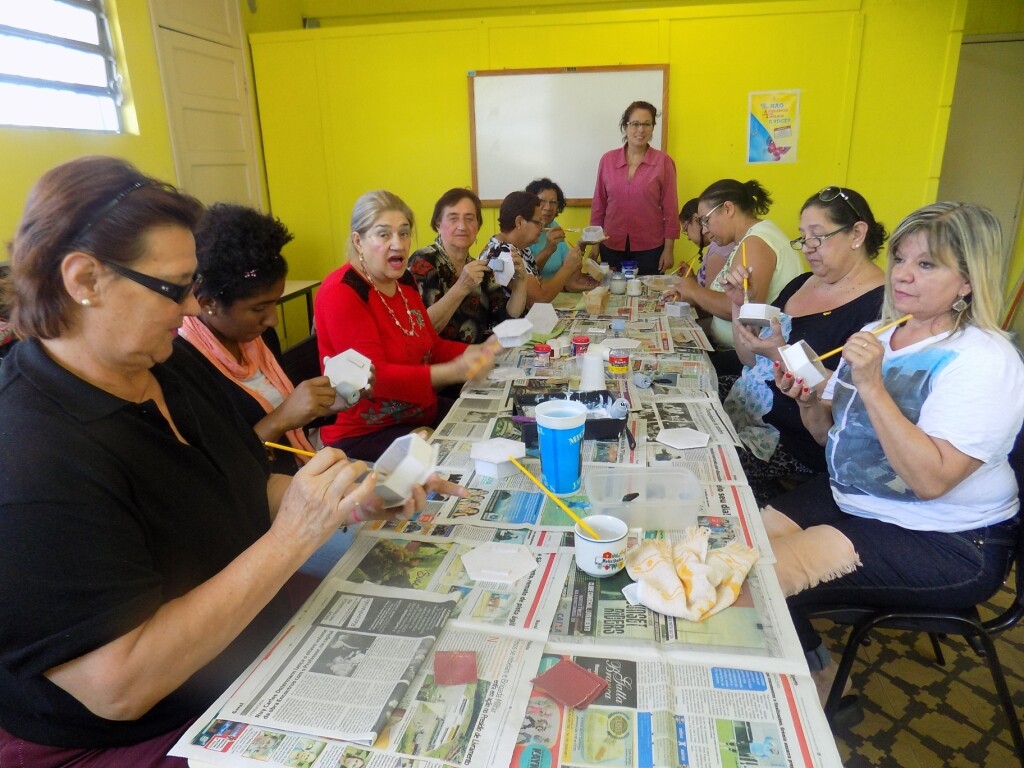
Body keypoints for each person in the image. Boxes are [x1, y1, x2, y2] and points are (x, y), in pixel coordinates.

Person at [0, 156, 461, 765]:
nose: (193, 309)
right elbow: (119, 687)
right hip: (143, 728)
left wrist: (355, 497)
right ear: (86, 279)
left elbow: (243, 482)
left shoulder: (169, 366)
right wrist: (294, 536)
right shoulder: (30, 452)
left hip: (243, 651)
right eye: (174, 288)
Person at [764, 202, 1024, 703]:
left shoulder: (986, 360)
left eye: (926, 264)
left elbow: (930, 481)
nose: (902, 274)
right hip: (860, 496)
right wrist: (809, 404)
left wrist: (872, 386)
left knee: (762, 579)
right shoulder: (882, 332)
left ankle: (822, 686)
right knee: (739, 545)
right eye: (900, 258)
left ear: (967, 281)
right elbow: (832, 440)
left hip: (946, 537)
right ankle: (814, 660)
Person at [719, 186, 886, 504]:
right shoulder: (801, 284)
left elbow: (848, 399)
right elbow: (750, 361)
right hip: (748, 409)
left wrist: (780, 353)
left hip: (795, 442)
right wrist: (739, 304)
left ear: (857, 233)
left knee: (713, 470)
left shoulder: (880, 309)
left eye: (817, 236)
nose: (807, 248)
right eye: (803, 237)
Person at [315, 190, 497, 461]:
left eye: (403, 233)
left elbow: (432, 347)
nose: (398, 244)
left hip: (418, 412)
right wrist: (453, 371)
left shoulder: (404, 282)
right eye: (383, 234)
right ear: (358, 241)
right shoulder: (342, 291)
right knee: (448, 459)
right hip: (366, 431)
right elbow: (376, 378)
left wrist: (478, 351)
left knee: (492, 426)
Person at [179, 203, 349, 475]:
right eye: (259, 308)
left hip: (294, 475)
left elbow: (285, 418)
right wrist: (280, 419)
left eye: (275, 303)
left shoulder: (259, 337)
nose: (273, 320)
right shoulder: (181, 364)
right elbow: (214, 468)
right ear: (208, 303)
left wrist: (327, 403)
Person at [662, 179, 803, 358]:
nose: (704, 230)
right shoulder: (749, 239)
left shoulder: (755, 243)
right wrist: (691, 295)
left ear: (728, 209)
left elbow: (740, 309)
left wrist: (694, 291)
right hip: (733, 349)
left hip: (749, 358)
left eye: (706, 220)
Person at [408, 188, 528, 344]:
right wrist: (462, 287)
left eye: (470, 219)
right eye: (453, 218)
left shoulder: (480, 268)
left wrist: (521, 283)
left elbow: (506, 319)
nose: (462, 226)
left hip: (475, 355)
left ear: (477, 226)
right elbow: (422, 328)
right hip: (438, 358)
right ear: (438, 224)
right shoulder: (423, 260)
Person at [590, 100, 679, 275]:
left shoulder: (663, 162)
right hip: (611, 243)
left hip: (651, 248)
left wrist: (669, 249)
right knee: (611, 289)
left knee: (648, 291)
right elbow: (599, 205)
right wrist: (594, 245)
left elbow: (670, 209)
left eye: (647, 124)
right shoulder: (607, 160)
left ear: (653, 128)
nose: (641, 130)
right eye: (635, 124)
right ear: (625, 126)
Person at [479, 191, 585, 305]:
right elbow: (538, 299)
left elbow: (537, 281)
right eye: (538, 222)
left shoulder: (519, 248)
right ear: (519, 222)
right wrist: (567, 268)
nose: (542, 228)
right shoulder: (502, 255)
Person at [525, 177, 599, 290]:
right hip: (538, 293)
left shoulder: (553, 226)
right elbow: (526, 275)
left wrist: (581, 245)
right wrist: (548, 250)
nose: (548, 207)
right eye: (541, 201)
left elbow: (570, 268)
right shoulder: (524, 231)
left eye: (553, 202)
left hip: (558, 291)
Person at [675, 197, 732, 289]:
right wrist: (692, 278)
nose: (688, 238)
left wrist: (689, 289)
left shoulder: (719, 249)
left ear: (696, 219)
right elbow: (704, 289)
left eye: (686, 230)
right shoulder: (715, 246)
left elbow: (710, 296)